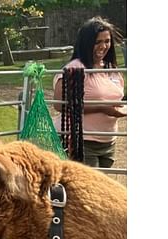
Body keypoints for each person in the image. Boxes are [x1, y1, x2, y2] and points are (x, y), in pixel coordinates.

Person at [52, 16, 126, 168]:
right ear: (86, 43)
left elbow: (117, 98)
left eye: (107, 41)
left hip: (108, 142)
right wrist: (101, 108)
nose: (103, 46)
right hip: (80, 141)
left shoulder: (112, 69)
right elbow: (60, 105)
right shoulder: (75, 68)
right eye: (97, 42)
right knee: (87, 189)